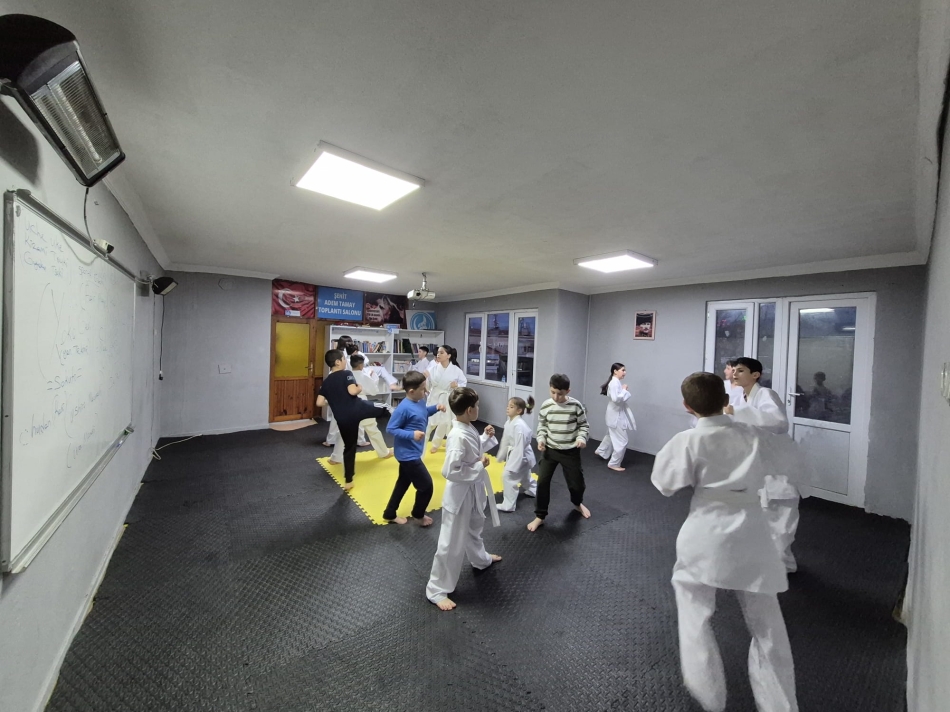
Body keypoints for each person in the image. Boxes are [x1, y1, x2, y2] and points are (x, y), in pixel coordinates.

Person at [652, 372, 799, 712]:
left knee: (693, 610)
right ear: (725, 400)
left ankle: (710, 697)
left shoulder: (687, 441)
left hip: (705, 535)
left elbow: (665, 483)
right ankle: (780, 705)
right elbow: (782, 462)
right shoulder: (751, 435)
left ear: (687, 406)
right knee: (768, 625)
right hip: (754, 535)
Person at [426, 387, 501, 610]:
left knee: (474, 528)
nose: (479, 409)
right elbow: (449, 470)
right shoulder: (457, 436)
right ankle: (436, 589)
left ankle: (480, 560)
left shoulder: (466, 427)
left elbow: (472, 450)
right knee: (451, 542)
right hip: (459, 495)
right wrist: (479, 465)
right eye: (477, 406)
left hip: (473, 488)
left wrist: (485, 438)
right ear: (469, 410)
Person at [726, 357, 802, 572]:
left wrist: (736, 413)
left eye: (741, 370)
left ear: (755, 375)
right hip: (757, 464)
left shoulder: (766, 394)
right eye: (734, 370)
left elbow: (779, 423)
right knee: (759, 514)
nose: (735, 374)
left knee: (779, 513)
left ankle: (780, 566)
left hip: (777, 465)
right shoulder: (741, 397)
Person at [527, 374, 591, 532]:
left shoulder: (576, 406)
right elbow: (542, 426)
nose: (556, 397)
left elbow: (583, 426)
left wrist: (581, 438)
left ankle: (577, 503)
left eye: (560, 394)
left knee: (577, 484)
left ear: (568, 391)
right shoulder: (546, 405)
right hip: (550, 450)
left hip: (570, 451)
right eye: (553, 392)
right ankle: (540, 516)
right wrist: (541, 439)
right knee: (542, 483)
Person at [315, 349, 386, 489]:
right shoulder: (347, 373)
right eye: (343, 359)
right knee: (381, 416)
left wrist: (332, 401)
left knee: (348, 444)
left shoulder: (327, 380)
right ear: (338, 362)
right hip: (357, 408)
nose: (345, 361)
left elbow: (319, 402)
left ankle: (343, 471)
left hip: (342, 415)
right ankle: (385, 450)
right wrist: (359, 388)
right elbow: (353, 391)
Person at [383, 370, 445, 526]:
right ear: (411, 391)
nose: (426, 391)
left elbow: (423, 413)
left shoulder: (420, 401)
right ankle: (418, 515)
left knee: (403, 483)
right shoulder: (403, 408)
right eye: (423, 389)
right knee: (426, 486)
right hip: (407, 455)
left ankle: (389, 513)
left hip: (414, 451)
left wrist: (436, 407)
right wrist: (411, 434)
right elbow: (391, 428)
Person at [328, 354, 393, 461]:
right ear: (361, 365)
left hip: (347, 407)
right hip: (362, 406)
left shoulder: (344, 376)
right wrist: (374, 378)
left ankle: (335, 458)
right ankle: (383, 452)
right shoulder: (365, 377)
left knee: (343, 432)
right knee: (373, 431)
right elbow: (374, 392)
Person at [496, 396, 537, 512]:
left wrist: (513, 465)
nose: (507, 408)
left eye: (511, 407)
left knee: (508, 477)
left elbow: (519, 447)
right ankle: (533, 490)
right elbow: (505, 440)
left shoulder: (519, 426)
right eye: (508, 406)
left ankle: (508, 505)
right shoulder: (509, 423)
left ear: (519, 411)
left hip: (522, 455)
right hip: (519, 454)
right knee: (524, 476)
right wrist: (501, 455)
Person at [594, 362, 636, 471]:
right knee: (622, 440)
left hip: (614, 413)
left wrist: (622, 390)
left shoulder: (615, 382)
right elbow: (616, 399)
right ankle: (614, 463)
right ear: (615, 371)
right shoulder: (614, 383)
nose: (625, 373)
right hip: (616, 415)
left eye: (625, 370)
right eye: (623, 370)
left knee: (611, 434)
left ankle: (601, 450)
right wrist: (624, 390)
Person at [425, 345, 467, 453]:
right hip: (435, 398)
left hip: (448, 398)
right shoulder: (432, 369)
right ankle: (420, 451)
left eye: (441, 352)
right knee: (429, 424)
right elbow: (427, 387)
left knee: (444, 423)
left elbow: (463, 384)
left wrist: (456, 386)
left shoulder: (456, 370)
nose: (438, 354)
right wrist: (426, 378)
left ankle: (436, 443)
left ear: (448, 355)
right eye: (438, 352)